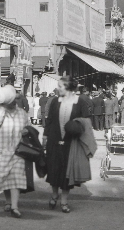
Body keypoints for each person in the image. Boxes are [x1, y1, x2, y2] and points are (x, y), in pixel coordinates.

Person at [43, 76, 92, 213]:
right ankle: (54, 194)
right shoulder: (54, 102)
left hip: (72, 142)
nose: (58, 88)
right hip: (54, 140)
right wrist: (45, 137)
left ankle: (64, 200)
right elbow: (50, 121)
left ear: (69, 88)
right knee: (53, 168)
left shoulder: (80, 102)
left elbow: (87, 122)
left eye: (60, 86)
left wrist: (77, 126)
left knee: (67, 171)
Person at [0, 85, 29, 218]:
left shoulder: (21, 112)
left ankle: (14, 206)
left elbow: (28, 126)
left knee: (16, 179)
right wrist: (2, 107)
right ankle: (8, 201)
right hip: (1, 150)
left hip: (17, 150)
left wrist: (26, 131)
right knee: (4, 178)